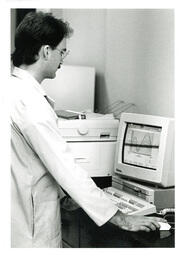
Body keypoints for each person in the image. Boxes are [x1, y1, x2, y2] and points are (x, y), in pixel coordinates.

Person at [10, 11, 166, 248]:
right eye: (62, 51)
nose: (63, 58)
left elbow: (31, 164)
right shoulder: (30, 103)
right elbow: (66, 169)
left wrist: (65, 197)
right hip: (31, 230)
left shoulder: (12, 90)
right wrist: (121, 218)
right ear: (45, 51)